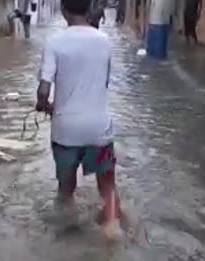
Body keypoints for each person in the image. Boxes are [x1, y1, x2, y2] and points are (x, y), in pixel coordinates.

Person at [36, 0, 122, 238]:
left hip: (66, 130)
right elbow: (104, 83)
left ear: (63, 10)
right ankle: (112, 232)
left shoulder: (54, 42)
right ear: (90, 10)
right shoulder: (104, 42)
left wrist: (45, 106)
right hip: (99, 129)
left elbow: (44, 90)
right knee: (108, 186)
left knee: (66, 190)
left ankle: (67, 234)